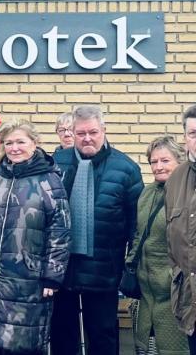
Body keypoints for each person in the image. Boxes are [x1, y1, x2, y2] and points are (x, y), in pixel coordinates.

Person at [0, 120, 71, 355]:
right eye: (8, 143)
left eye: (20, 141)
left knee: (22, 344)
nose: (14, 148)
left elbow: (59, 232)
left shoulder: (49, 181)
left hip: (28, 278)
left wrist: (53, 275)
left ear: (34, 143)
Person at [50, 105, 143, 355]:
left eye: (93, 132)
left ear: (104, 130)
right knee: (61, 334)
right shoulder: (56, 163)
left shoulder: (126, 169)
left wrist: (129, 265)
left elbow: (136, 225)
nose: (87, 138)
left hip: (104, 269)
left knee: (103, 336)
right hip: (62, 268)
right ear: (72, 132)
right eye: (81, 133)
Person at [127, 135, 188, 355]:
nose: (158, 167)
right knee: (147, 348)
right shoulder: (147, 193)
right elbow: (138, 234)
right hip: (146, 294)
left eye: (165, 161)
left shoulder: (188, 194)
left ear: (180, 161)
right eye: (154, 161)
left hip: (176, 296)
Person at [163, 105, 196, 354]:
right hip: (190, 302)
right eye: (193, 133)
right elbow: (171, 241)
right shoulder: (175, 179)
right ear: (185, 138)